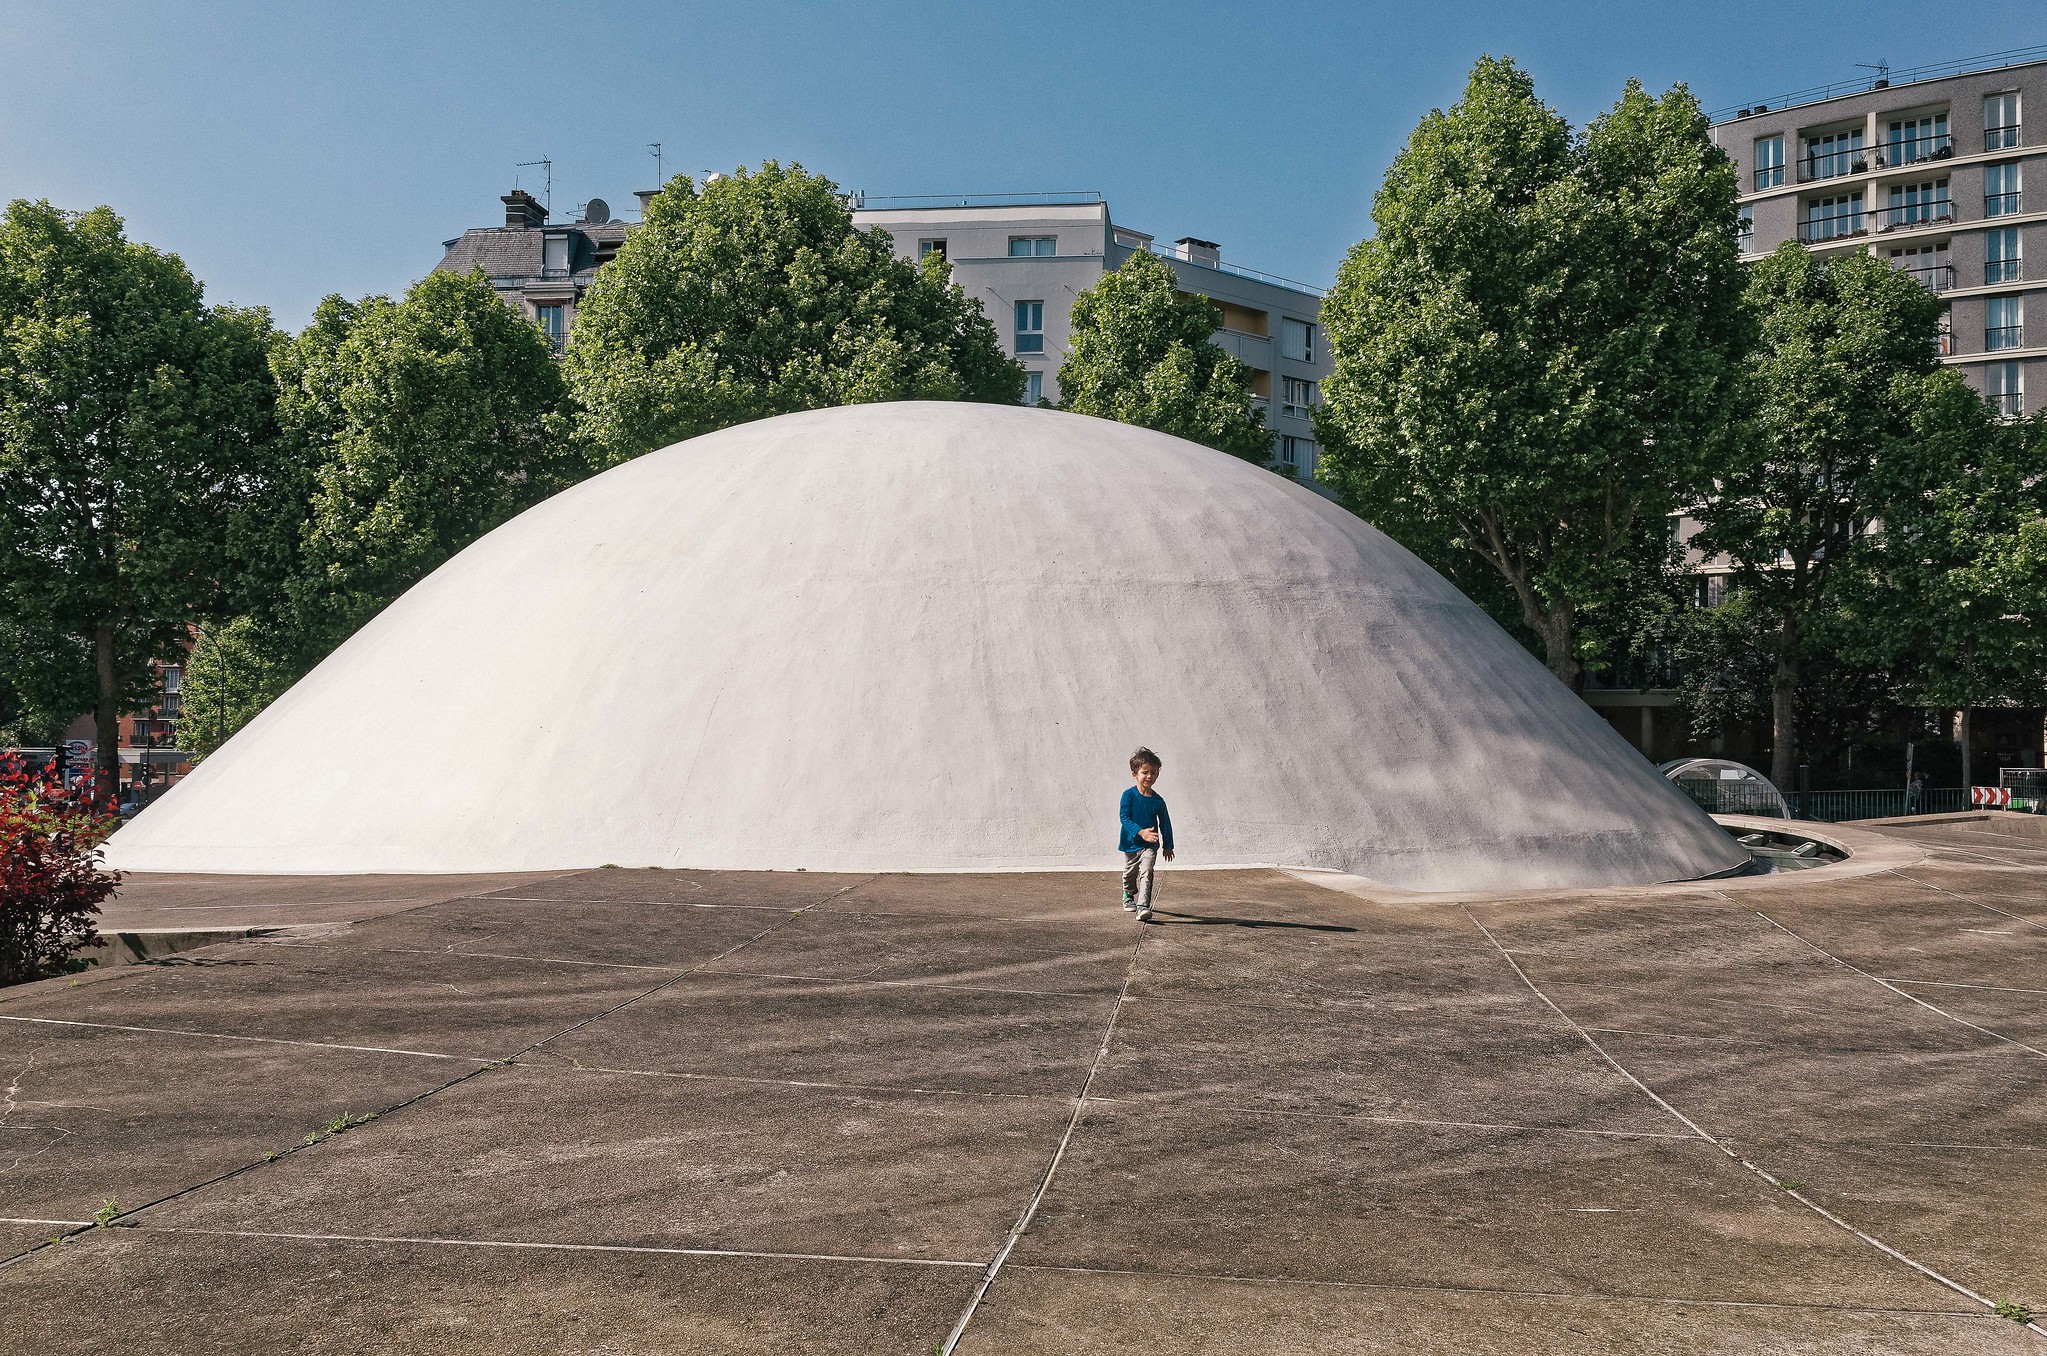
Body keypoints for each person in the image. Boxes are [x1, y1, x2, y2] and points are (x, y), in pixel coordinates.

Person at [1119, 746, 1175, 923]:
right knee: (1129, 874)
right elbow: (1124, 818)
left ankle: (1143, 906)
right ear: (1135, 774)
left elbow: (1165, 823)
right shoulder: (1128, 795)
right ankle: (1128, 893)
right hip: (1130, 843)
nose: (1149, 776)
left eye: (1153, 772)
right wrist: (1141, 832)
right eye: (1145, 772)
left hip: (1150, 844)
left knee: (1147, 871)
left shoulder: (1158, 801)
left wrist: (1168, 845)